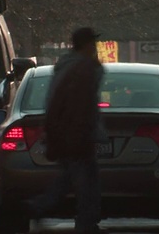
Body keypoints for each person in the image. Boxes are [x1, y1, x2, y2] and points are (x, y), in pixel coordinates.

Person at [28, 27, 107, 233]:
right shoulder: (82, 69)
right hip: (77, 135)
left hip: (68, 133)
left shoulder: (68, 67)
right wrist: (82, 132)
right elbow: (82, 105)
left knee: (69, 179)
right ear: (87, 44)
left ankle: (38, 208)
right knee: (87, 182)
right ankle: (85, 222)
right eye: (93, 43)